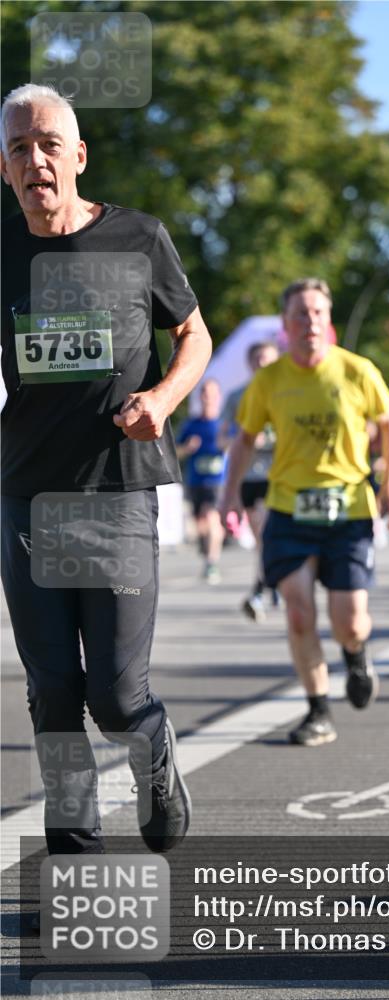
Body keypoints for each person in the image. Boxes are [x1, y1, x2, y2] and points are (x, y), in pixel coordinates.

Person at [1, 85, 212, 855]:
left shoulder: (137, 238)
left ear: (79, 156)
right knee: (53, 693)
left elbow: (193, 335)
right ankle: (76, 860)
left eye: (49, 145)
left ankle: (153, 756)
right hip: (28, 497)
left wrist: (162, 397)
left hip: (117, 491)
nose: (36, 161)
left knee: (117, 698)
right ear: (3, 169)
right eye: (19, 149)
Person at [220, 278, 389, 747]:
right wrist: (229, 494)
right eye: (300, 314)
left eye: (318, 312)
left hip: (349, 510)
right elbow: (244, 439)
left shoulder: (357, 371)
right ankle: (318, 710)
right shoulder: (269, 380)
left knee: (350, 622)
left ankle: (356, 654)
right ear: (286, 324)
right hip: (289, 508)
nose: (310, 321)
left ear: (329, 320)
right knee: (299, 614)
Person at [219, 340, 280, 620]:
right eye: (258, 359)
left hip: (278, 474)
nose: (263, 364)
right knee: (261, 539)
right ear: (250, 363)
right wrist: (243, 441)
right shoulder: (237, 396)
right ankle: (272, 582)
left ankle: (259, 590)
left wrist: (273, 439)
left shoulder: (287, 392)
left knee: (267, 533)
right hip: (248, 475)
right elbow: (221, 438)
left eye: (268, 359)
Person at [176, 378, 226, 584]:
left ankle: (212, 562)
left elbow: (238, 447)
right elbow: (175, 453)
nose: (208, 398)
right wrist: (187, 448)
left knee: (212, 517)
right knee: (200, 524)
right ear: (200, 397)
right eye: (205, 393)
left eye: (212, 394)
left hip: (218, 482)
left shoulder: (224, 424)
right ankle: (207, 551)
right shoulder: (191, 425)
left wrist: (227, 445)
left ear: (219, 397)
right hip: (196, 481)